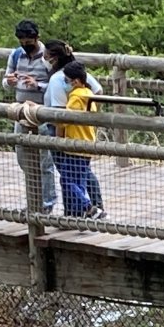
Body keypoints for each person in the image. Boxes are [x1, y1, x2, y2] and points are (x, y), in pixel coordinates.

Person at [44, 40, 105, 218]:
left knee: (67, 177)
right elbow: (99, 91)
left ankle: (82, 210)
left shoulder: (60, 82)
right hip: (86, 137)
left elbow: (60, 116)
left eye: (46, 56)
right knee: (81, 175)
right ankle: (88, 208)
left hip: (69, 138)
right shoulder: (83, 78)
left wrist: (59, 140)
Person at [3, 19, 57, 213]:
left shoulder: (48, 57)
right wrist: (9, 82)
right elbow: (5, 81)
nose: (25, 45)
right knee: (23, 158)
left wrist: (37, 85)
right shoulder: (16, 55)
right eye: (22, 42)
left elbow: (57, 85)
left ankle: (47, 202)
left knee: (44, 161)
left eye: (29, 42)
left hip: (41, 112)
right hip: (20, 112)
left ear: (36, 38)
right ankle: (34, 199)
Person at [54, 61, 102, 217]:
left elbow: (65, 119)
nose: (65, 83)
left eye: (66, 80)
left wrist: (55, 124)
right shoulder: (88, 94)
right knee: (79, 181)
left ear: (75, 81)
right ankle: (78, 214)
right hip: (87, 143)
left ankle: (88, 207)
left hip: (75, 144)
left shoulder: (75, 98)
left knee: (67, 180)